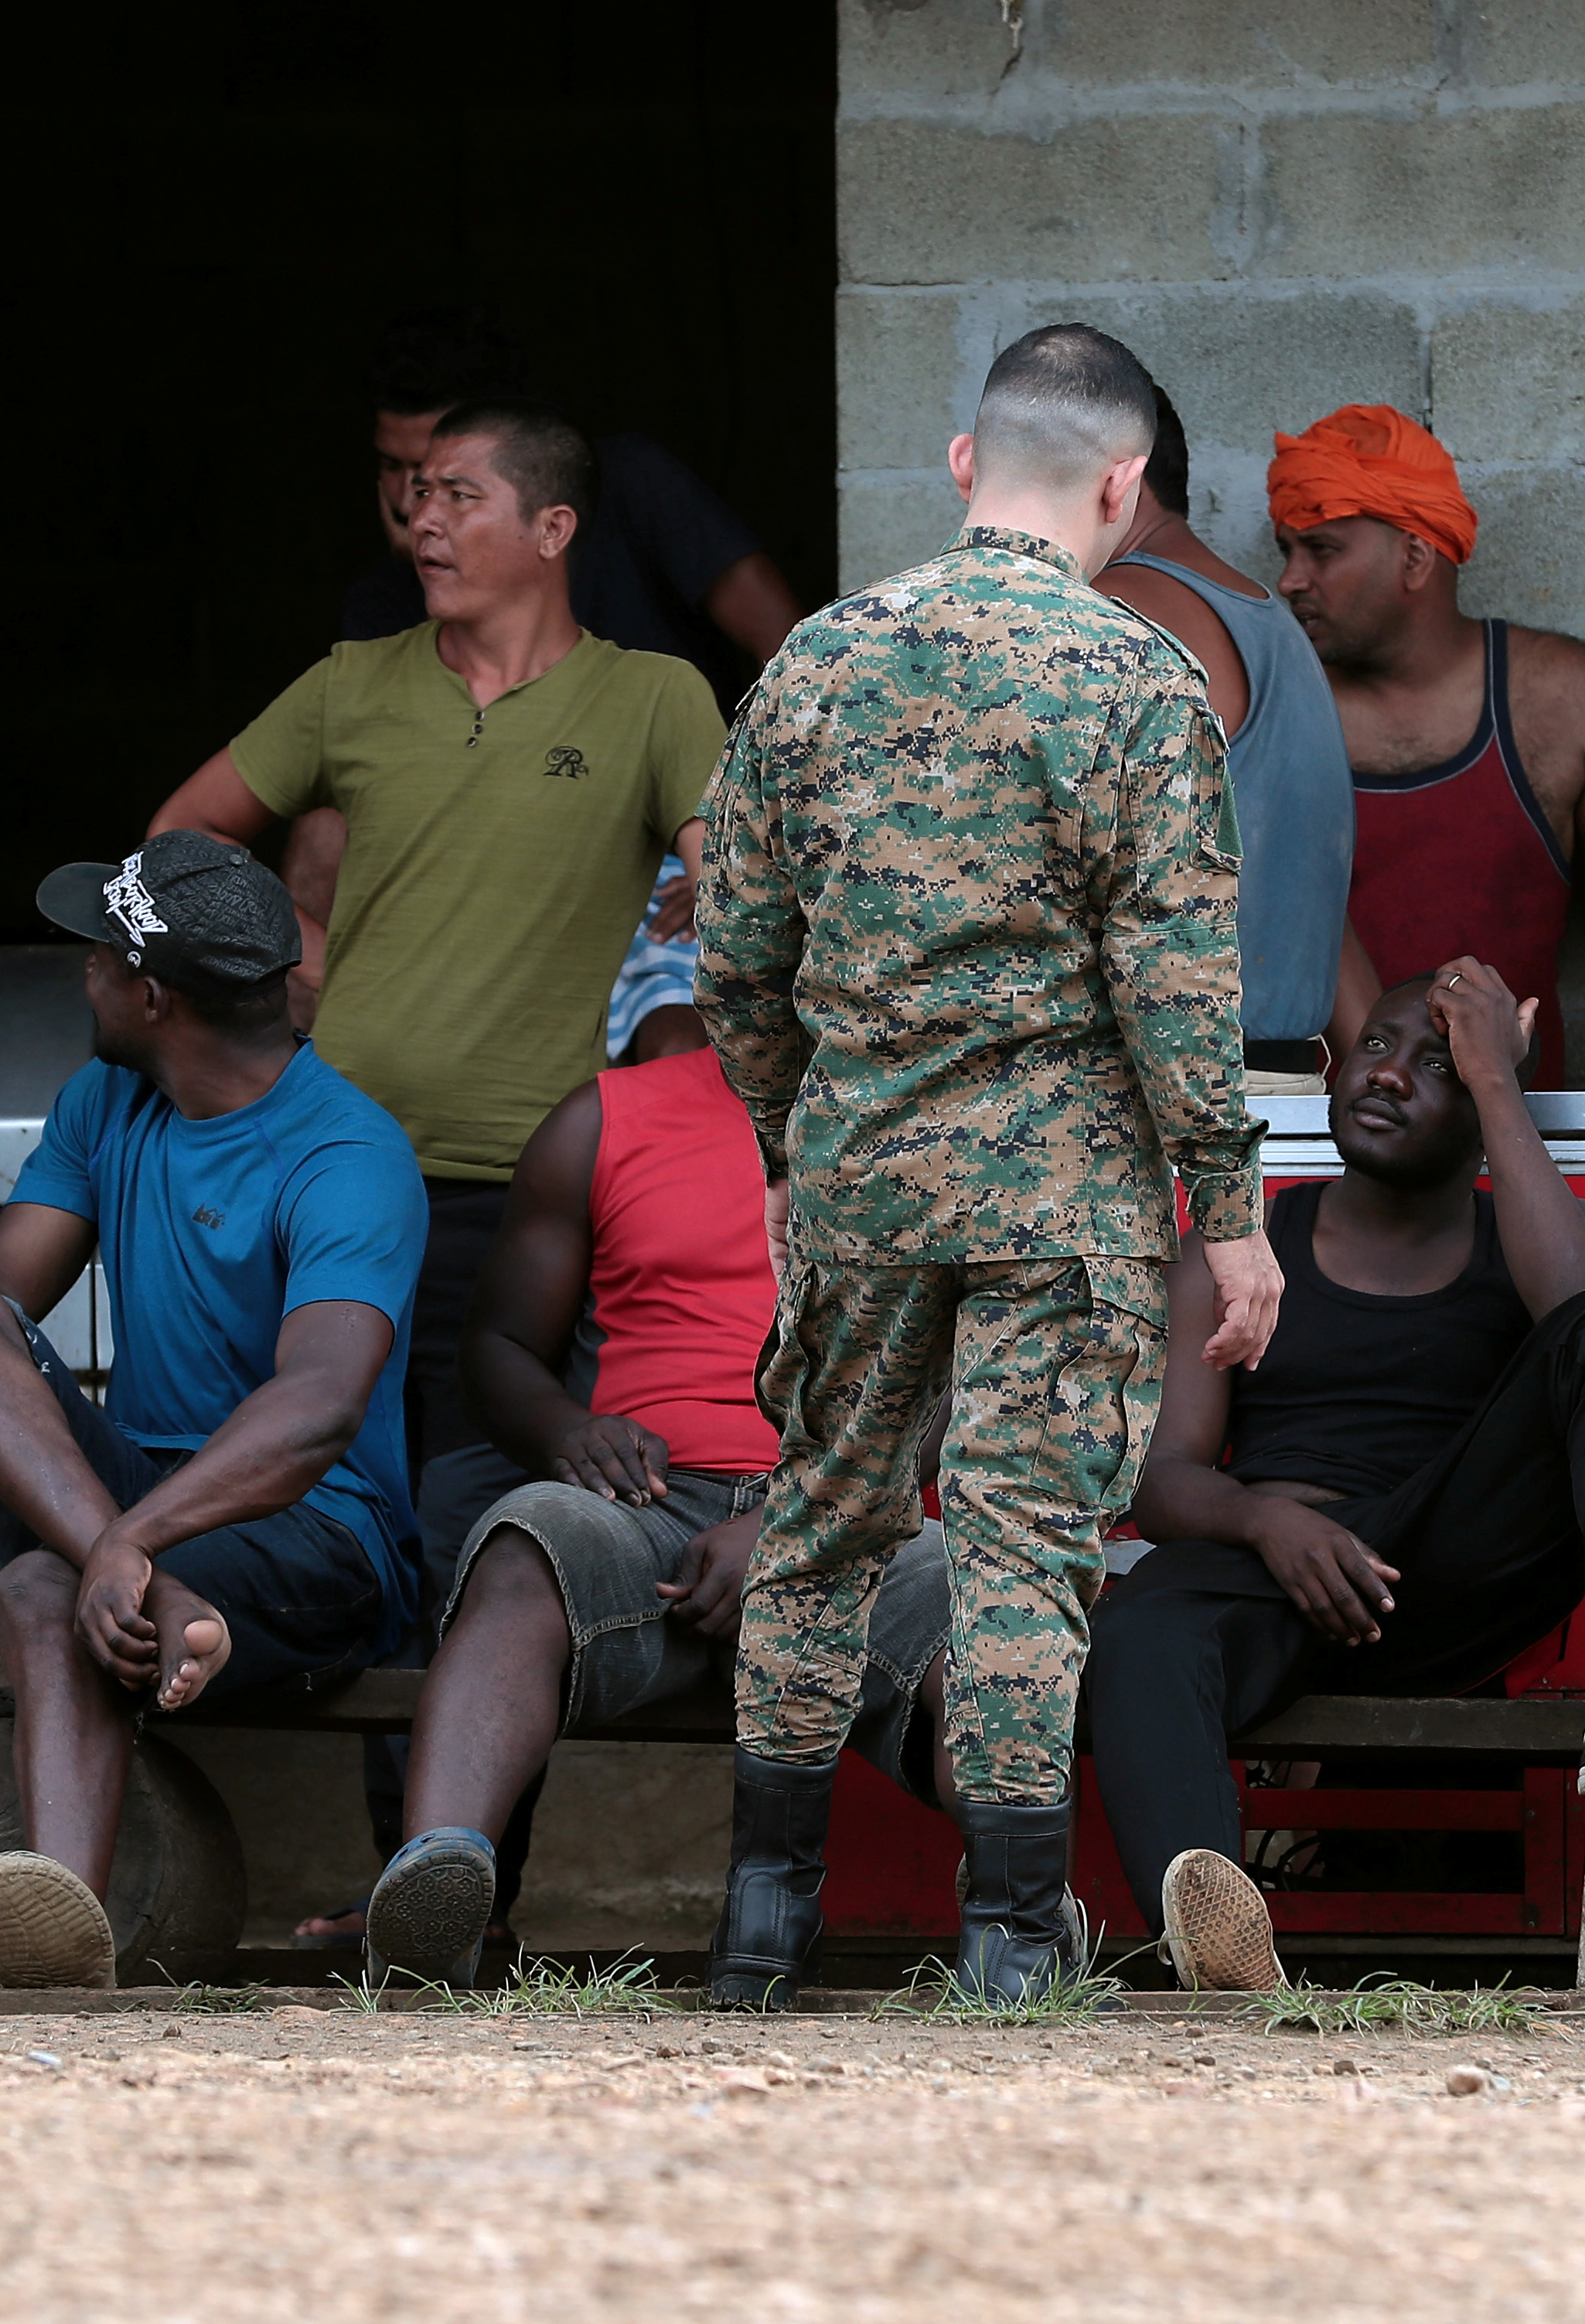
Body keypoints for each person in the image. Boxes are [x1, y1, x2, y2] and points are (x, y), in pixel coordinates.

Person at [693, 322, 1278, 2009]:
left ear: (963, 466)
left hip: (864, 1183)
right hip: (1065, 1210)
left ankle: (758, 1934)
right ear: (1124, 486)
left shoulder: (812, 665)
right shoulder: (1137, 684)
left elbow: (734, 958)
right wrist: (1230, 1227)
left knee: (821, 1528)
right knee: (1025, 1548)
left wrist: (798, 1145)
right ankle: (1015, 1947)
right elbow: (1179, 992)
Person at [1083, 959, 1585, 1991]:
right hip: (1274, 1571)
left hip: (1449, 1573)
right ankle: (1217, 1937)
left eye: (1438, 1063)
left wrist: (1499, 1075)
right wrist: (1268, 1526)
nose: (1389, 1076)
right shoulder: (1244, 1250)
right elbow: (1163, 1481)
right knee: (1143, 1626)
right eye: (1375, 1045)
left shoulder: (1540, 1241)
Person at [150, 401, 728, 1619]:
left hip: (515, 1188)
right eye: (416, 493)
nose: (423, 517)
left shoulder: (652, 699)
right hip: (323, 1164)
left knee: (466, 1523)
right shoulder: (353, 684)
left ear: (555, 527)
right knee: (315, 1498)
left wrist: (716, 892)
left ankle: (448, 1817)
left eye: (460, 494)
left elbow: (742, 880)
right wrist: (291, 956)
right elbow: (180, 836)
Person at [0, 831, 426, 1988]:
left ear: (153, 995)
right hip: (133, 1517)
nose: (82, 973)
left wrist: (133, 1538)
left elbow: (318, 1410)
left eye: (100, 956)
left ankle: (115, 1587)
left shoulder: (348, 1153)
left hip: (320, 1539)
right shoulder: (105, 1100)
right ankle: (60, 1946)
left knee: (36, 1580)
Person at [359, 1027, 949, 1986]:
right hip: (650, 1507)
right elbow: (500, 1342)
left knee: (989, 1624)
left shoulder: (939, 1115)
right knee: (525, 1543)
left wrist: (805, 1515)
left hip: (864, 1509)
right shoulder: (606, 1118)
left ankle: (1031, 1927)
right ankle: (435, 1901)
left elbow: (969, 1381)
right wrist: (565, 1429)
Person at [1273, 402, 1585, 1089]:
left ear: (1416, 556)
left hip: (1513, 1137)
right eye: (1288, 551)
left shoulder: (1559, 695)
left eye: (1322, 550)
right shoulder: (1278, 708)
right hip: (1323, 1144)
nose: (1291, 580)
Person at [1095, 384, 1359, 1084]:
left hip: (1165, 1103)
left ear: (1114, 480)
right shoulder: (1266, 619)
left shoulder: (1121, 610)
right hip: (1275, 1081)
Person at [336, 313, 806, 701]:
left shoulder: (631, 483)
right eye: (392, 466)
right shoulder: (382, 595)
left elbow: (791, 653)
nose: (406, 500)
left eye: (443, 473)